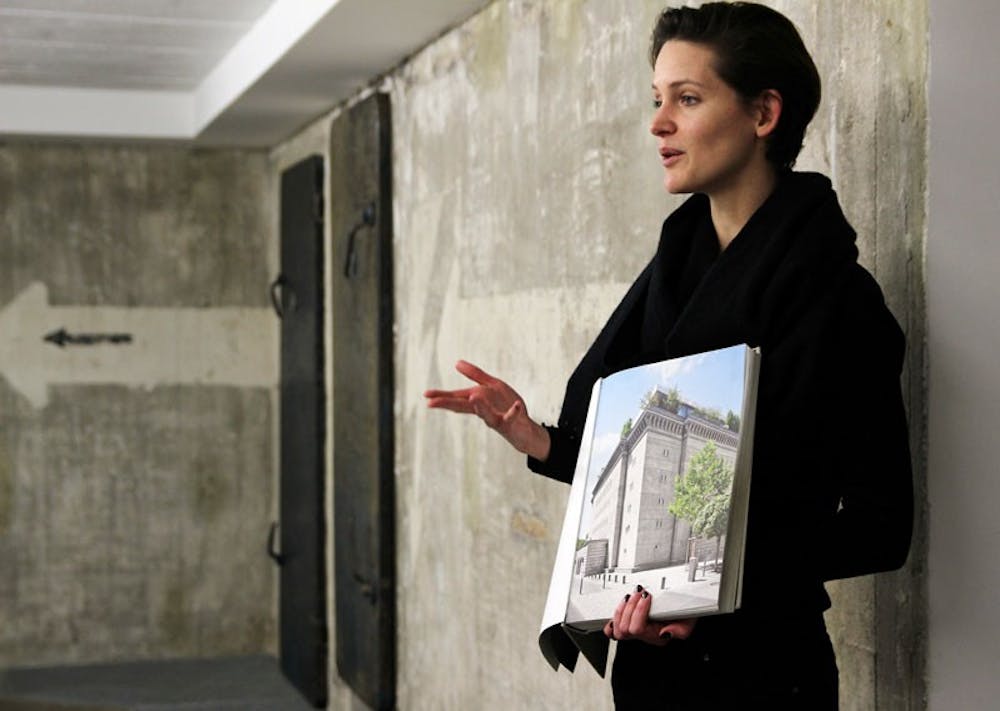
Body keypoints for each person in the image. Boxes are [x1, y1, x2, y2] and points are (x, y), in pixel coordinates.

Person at [424, 3, 913, 708]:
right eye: (657, 100)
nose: (657, 123)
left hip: (769, 671)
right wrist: (535, 436)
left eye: (687, 99)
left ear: (764, 113)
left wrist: (711, 585)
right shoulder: (670, 277)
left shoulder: (840, 301)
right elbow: (631, 464)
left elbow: (881, 528)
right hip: (651, 671)